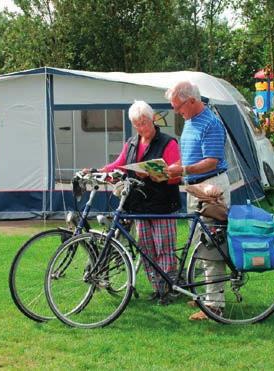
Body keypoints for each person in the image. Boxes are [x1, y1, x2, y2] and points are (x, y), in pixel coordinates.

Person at [94, 100, 181, 305]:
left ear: (153, 119)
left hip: (162, 205)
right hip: (140, 205)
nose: (142, 127)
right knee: (146, 250)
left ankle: (167, 289)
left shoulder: (168, 143)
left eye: (144, 122)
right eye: (137, 124)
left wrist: (157, 174)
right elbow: (120, 165)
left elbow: (176, 174)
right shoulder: (132, 142)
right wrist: (100, 171)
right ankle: (157, 288)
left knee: (164, 249)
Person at [165, 81, 231, 321]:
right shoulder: (191, 121)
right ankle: (206, 294)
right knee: (198, 242)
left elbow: (212, 161)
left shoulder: (211, 123)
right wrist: (178, 168)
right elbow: (191, 156)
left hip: (211, 186)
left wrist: (183, 169)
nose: (176, 111)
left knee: (212, 244)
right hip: (196, 187)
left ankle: (215, 305)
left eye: (178, 106)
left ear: (192, 100)